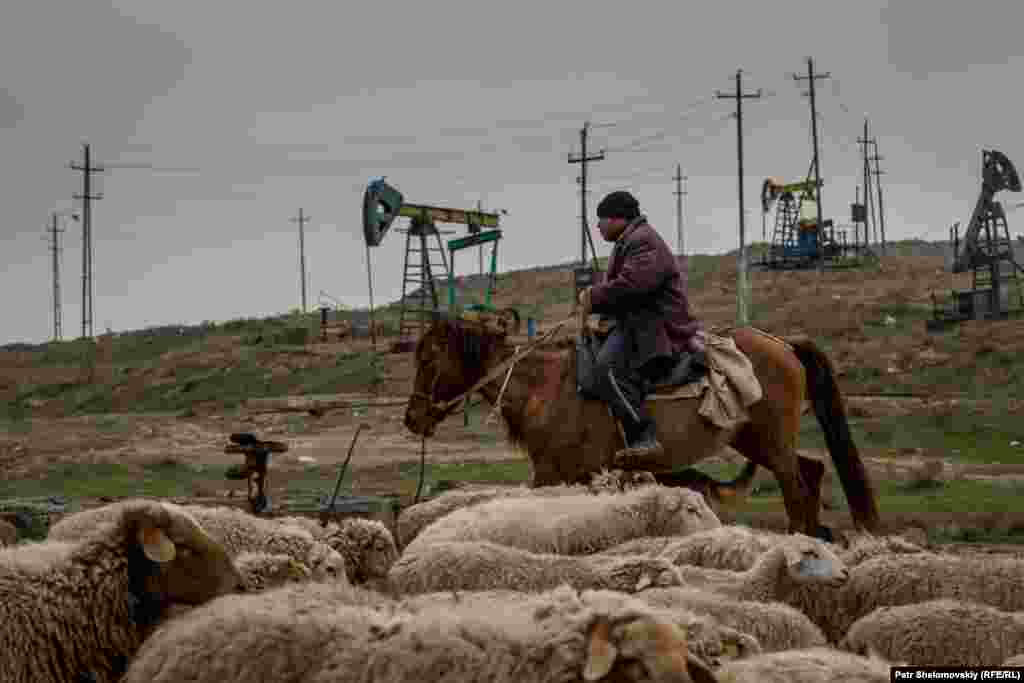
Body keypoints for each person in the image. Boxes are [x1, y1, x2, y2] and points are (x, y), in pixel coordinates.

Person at [577, 190, 704, 464]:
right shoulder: (630, 240)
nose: (598, 226)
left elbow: (633, 286)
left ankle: (643, 436)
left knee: (606, 369)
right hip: (637, 320)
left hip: (655, 325)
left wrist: (594, 296)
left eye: (602, 219)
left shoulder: (642, 241)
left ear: (618, 219)